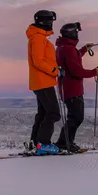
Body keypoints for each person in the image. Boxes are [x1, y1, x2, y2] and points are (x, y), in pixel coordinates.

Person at [54, 22, 98, 153]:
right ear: (72, 33)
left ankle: (66, 142)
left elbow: (73, 58)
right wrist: (94, 72)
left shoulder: (63, 47)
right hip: (72, 89)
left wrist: (84, 49)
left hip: (67, 89)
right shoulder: (68, 49)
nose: (77, 34)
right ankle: (64, 143)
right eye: (76, 32)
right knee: (76, 117)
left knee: (74, 117)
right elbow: (76, 71)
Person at [26, 9, 62, 155]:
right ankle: (43, 144)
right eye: (50, 21)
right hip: (43, 82)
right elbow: (38, 61)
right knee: (53, 113)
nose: (51, 24)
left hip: (42, 81)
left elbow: (42, 60)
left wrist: (54, 69)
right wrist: (56, 71)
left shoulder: (38, 37)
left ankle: (35, 143)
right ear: (45, 22)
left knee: (43, 113)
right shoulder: (38, 38)